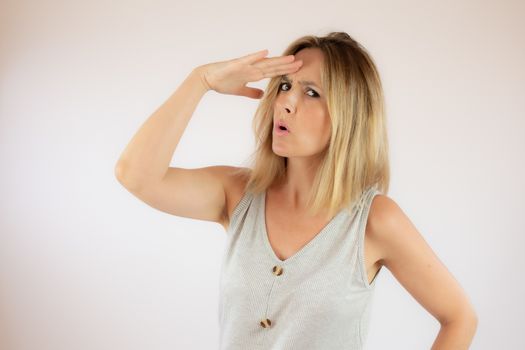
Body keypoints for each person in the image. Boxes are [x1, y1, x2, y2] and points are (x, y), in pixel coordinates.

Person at [115, 32, 478, 349]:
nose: (286, 102)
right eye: (286, 86)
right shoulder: (238, 194)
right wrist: (201, 80)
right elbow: (136, 176)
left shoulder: (373, 221)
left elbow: (459, 318)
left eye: (312, 92)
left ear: (348, 115)